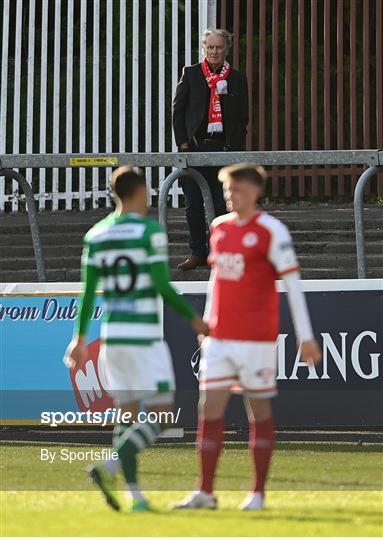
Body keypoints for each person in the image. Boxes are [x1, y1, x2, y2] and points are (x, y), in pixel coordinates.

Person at [174, 163, 322, 511]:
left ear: (255, 191)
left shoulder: (273, 231)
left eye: (237, 190)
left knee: (257, 409)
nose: (230, 196)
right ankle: (205, 493)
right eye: (227, 190)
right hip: (219, 338)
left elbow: (292, 283)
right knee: (208, 409)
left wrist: (306, 335)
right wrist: (208, 323)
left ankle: (257, 494)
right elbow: (217, 280)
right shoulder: (219, 227)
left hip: (256, 339)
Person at [65, 166, 209, 512]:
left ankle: (136, 498)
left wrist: (79, 338)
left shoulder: (96, 235)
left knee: (126, 416)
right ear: (140, 192)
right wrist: (195, 320)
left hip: (112, 337)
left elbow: (88, 293)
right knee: (160, 416)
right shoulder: (150, 232)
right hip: (143, 336)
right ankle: (109, 466)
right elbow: (162, 285)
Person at [173, 28, 249, 271]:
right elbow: (178, 112)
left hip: (223, 150)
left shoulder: (236, 78)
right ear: (204, 49)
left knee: (222, 204)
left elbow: (241, 116)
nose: (215, 52)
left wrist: (235, 147)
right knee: (193, 204)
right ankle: (197, 253)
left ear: (226, 49)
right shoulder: (192, 73)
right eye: (211, 47)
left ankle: (221, 253)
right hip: (195, 148)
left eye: (219, 47)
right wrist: (183, 144)